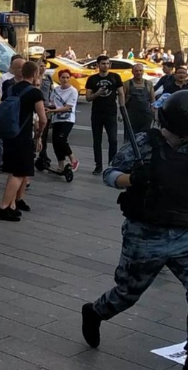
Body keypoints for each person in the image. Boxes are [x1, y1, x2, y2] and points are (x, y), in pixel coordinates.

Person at [81, 91, 188, 370]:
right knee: (127, 293)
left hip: (184, 233)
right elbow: (110, 174)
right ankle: (95, 312)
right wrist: (131, 179)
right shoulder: (144, 144)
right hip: (145, 234)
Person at [0, 61, 47, 221]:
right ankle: (3, 207)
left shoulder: (10, 88)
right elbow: (43, 118)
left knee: (12, 171)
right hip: (23, 136)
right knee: (19, 173)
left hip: (9, 134)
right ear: (35, 74)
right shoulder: (35, 93)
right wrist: (38, 135)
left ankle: (11, 206)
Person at [85, 55, 125, 175]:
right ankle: (98, 165)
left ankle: (112, 164)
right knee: (97, 140)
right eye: (103, 63)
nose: (105, 66)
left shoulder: (115, 77)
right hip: (97, 113)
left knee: (113, 140)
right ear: (98, 65)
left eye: (107, 63)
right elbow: (88, 98)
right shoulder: (92, 79)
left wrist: (122, 111)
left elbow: (121, 93)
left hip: (111, 113)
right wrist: (98, 93)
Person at [48, 69, 79, 172]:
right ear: (59, 78)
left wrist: (53, 110)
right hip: (57, 118)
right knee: (55, 142)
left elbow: (68, 107)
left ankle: (73, 159)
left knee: (61, 139)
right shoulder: (56, 90)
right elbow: (52, 102)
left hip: (68, 119)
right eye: (63, 77)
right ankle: (60, 164)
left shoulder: (73, 91)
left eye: (67, 77)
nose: (65, 80)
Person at [122, 63, 155, 141]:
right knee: (130, 137)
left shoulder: (148, 84)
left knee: (144, 138)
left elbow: (153, 99)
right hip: (131, 116)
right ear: (132, 72)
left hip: (146, 116)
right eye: (136, 71)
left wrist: (153, 111)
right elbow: (122, 100)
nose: (138, 73)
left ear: (143, 72)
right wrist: (122, 113)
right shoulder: (127, 84)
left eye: (140, 71)